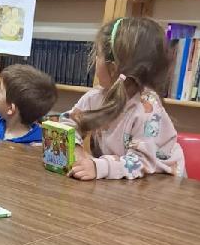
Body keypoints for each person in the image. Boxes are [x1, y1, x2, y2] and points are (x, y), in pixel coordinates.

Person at [61, 17, 185, 180]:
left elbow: (141, 162)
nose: (93, 60)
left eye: (97, 54)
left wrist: (99, 167)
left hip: (160, 183)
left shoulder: (146, 109)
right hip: (121, 181)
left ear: (113, 68)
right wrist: (76, 148)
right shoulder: (94, 98)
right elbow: (67, 123)